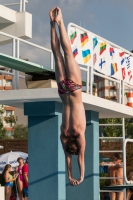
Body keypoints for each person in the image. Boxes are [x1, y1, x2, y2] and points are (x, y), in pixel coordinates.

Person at [49, 7, 86, 186]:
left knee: (68, 53)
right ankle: (52, 24)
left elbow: (80, 158)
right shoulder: (64, 134)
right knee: (57, 55)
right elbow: (69, 158)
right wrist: (70, 176)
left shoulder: (79, 133)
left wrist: (80, 177)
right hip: (64, 90)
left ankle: (61, 21)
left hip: (75, 89)